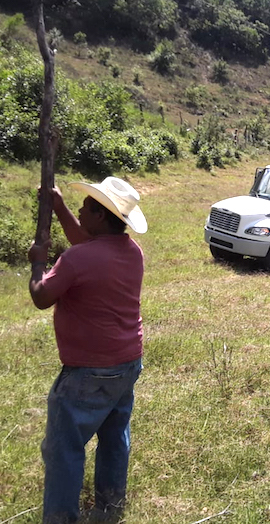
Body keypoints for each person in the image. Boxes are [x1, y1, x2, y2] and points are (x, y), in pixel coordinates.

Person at [27, 177, 148, 524]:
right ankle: (108, 509)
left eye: (85, 207)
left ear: (99, 217)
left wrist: (38, 262)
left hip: (87, 372)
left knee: (64, 450)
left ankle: (61, 518)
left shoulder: (76, 259)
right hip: (127, 363)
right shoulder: (132, 253)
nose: (80, 210)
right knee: (114, 438)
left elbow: (41, 297)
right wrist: (60, 207)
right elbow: (87, 245)